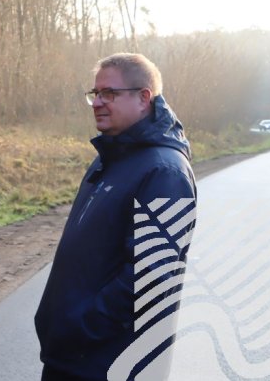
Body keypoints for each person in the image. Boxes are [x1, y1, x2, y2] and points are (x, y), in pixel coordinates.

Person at [33, 53, 196, 381]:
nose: (97, 103)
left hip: (109, 363)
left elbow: (151, 278)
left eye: (109, 93)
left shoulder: (165, 172)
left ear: (143, 98)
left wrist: (80, 328)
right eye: (95, 94)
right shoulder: (110, 159)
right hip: (74, 356)